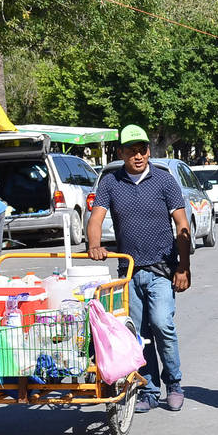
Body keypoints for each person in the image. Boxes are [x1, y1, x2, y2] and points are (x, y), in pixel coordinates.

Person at [87, 124, 191, 414]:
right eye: (131, 150)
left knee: (162, 324)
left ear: (148, 150)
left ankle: (174, 384)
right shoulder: (110, 182)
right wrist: (94, 244)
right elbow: (96, 219)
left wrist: (184, 267)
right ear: (121, 153)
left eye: (142, 149)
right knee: (138, 333)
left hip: (162, 269)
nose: (138, 155)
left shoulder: (164, 180)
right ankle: (149, 389)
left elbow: (182, 224)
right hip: (129, 272)